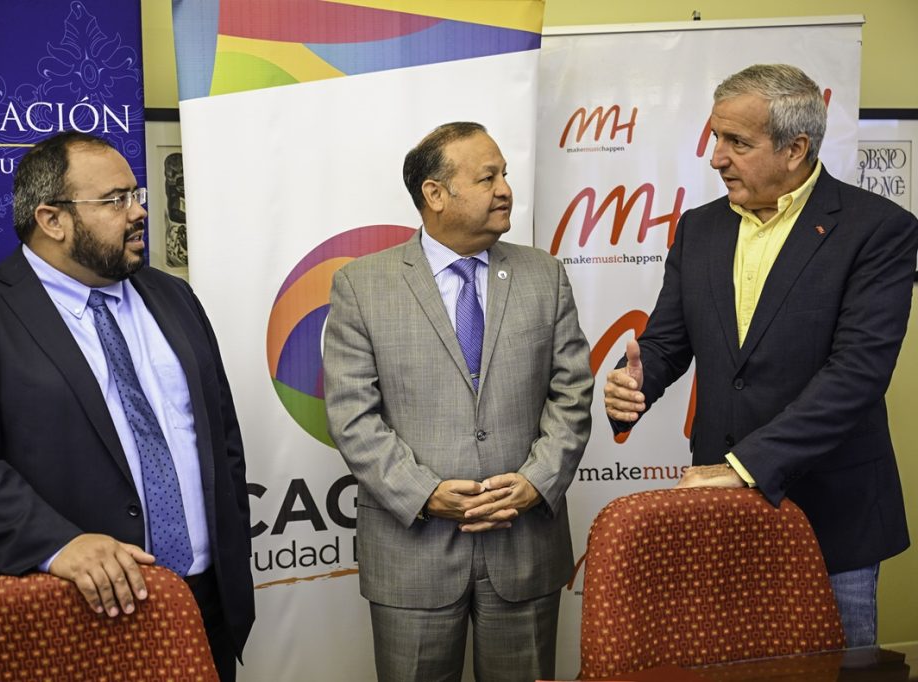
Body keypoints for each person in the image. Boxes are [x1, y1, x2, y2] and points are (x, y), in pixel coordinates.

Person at [0, 131, 253, 678]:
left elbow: (220, 436)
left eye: (136, 195)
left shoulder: (174, 297)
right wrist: (58, 545)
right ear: (52, 220)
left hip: (204, 605)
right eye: (115, 200)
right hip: (61, 614)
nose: (139, 211)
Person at [603, 64, 918, 647]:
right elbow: (666, 342)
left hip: (833, 517)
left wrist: (744, 467)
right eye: (715, 137)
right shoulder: (699, 229)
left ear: (795, 149)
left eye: (737, 142)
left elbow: (856, 375)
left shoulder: (878, 230)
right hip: (721, 517)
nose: (716, 158)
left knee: (832, 672)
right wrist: (634, 382)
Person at [324, 122, 593, 681]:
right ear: (435, 194)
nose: (505, 190)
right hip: (412, 555)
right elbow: (352, 416)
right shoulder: (362, 285)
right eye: (487, 178)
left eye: (505, 175)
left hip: (524, 545)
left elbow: (572, 392)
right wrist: (425, 494)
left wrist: (536, 482)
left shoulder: (544, 275)